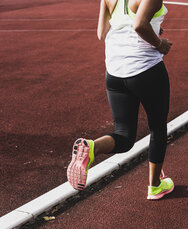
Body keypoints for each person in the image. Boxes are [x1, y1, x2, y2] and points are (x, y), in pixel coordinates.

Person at [67, 0, 173, 200]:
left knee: (124, 137)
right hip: (146, 70)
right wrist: (161, 45)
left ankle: (92, 147)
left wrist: (154, 27)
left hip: (115, 73)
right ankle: (155, 185)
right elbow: (139, 25)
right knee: (158, 127)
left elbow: (102, 32)